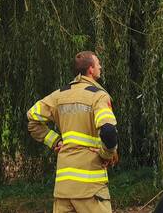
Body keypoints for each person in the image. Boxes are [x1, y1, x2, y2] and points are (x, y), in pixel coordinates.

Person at [27, 51, 119, 213]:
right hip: (90, 188)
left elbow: (33, 118)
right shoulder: (98, 96)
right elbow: (109, 131)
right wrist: (106, 154)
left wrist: (55, 141)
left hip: (64, 189)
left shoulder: (59, 95)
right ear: (91, 69)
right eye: (98, 64)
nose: (100, 67)